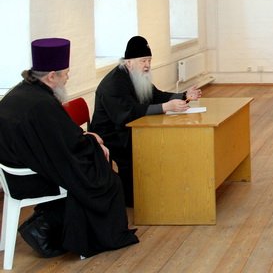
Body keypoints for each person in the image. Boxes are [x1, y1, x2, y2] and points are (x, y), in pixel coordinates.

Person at [0, 38, 138, 258]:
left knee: (90, 162)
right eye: (65, 73)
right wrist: (93, 143)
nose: (67, 78)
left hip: (13, 173)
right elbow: (68, 146)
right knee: (106, 179)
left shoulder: (23, 91)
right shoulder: (42, 103)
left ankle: (48, 226)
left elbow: (57, 138)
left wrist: (86, 137)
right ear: (51, 76)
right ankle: (86, 237)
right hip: (28, 179)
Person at [90, 35, 202, 207]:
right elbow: (128, 113)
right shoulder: (114, 84)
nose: (147, 65)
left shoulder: (136, 76)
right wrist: (165, 107)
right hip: (112, 134)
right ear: (129, 62)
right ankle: (135, 198)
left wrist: (184, 95)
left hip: (129, 127)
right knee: (145, 148)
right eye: (143, 61)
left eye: (149, 60)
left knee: (159, 142)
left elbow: (156, 95)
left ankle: (157, 188)